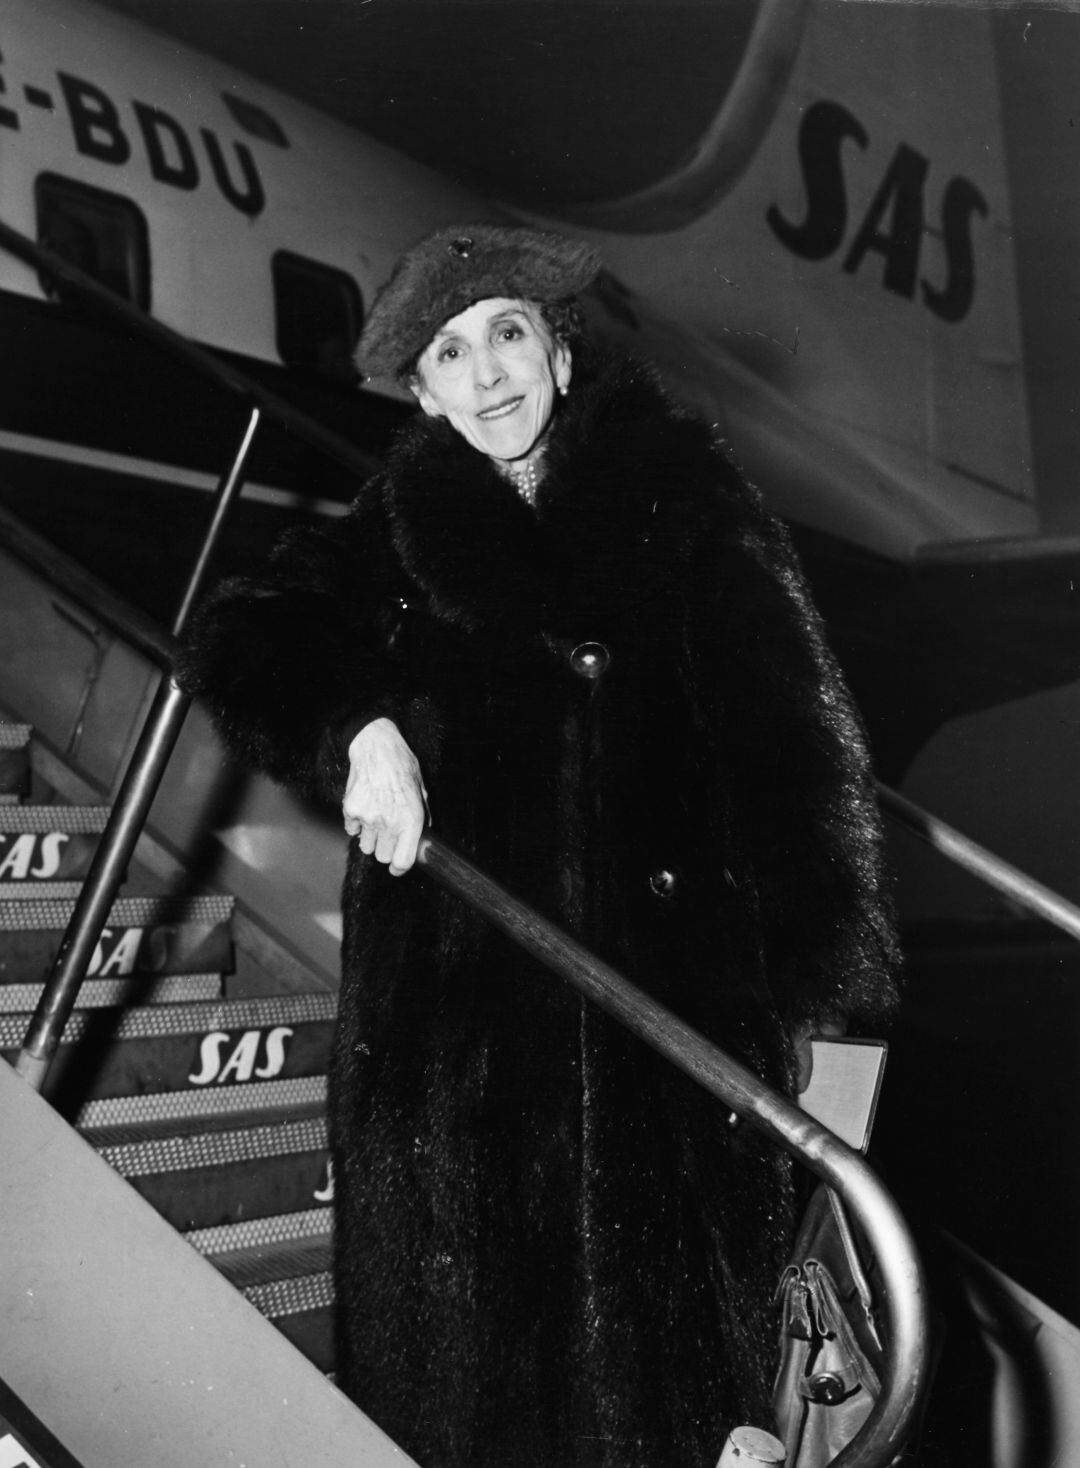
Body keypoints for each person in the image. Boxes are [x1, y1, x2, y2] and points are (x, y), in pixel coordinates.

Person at [178, 224, 899, 1468]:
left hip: (673, 1058)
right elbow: (243, 637)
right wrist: (357, 729)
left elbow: (804, 775)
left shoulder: (689, 500)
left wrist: (834, 1054)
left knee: (682, 1413)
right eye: (450, 355)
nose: (488, 373)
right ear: (423, 393)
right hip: (451, 1070)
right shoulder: (397, 528)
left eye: (509, 333)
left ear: (560, 352)